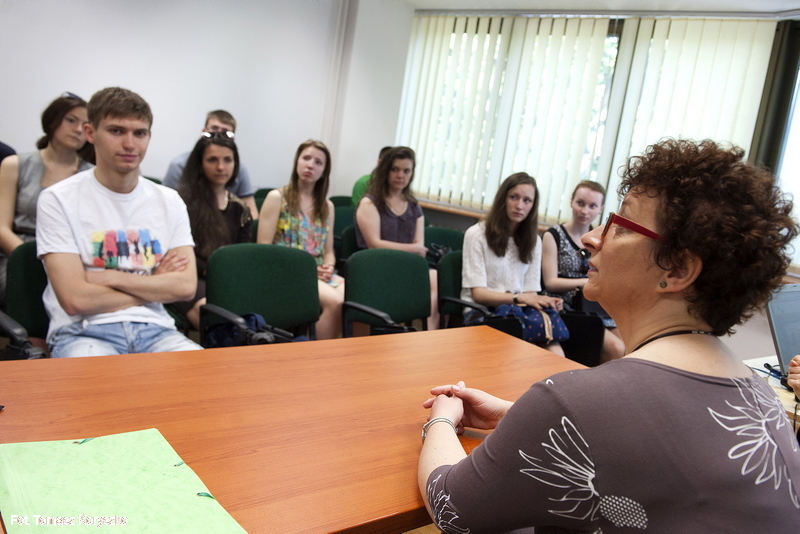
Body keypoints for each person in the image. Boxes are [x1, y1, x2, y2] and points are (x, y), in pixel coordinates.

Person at [418, 138, 800, 532]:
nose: (591, 237)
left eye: (620, 224)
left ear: (677, 269)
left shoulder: (571, 400)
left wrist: (442, 419)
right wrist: (519, 417)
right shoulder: (762, 397)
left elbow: (451, 507)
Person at [36, 87, 202, 357]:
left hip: (157, 330)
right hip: (83, 332)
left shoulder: (169, 201)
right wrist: (154, 284)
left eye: (140, 133)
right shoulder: (58, 199)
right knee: (100, 386)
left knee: (206, 378)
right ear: (90, 133)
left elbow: (184, 287)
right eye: (116, 131)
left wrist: (113, 277)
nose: (130, 144)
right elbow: (76, 300)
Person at [0, 93, 94, 307]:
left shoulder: (92, 176)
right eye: (71, 120)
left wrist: (61, 264)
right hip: (18, 254)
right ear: (52, 121)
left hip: (71, 257)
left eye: (85, 125)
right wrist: (33, 260)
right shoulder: (14, 164)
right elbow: (1, 228)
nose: (78, 129)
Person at [461, 172, 565, 356]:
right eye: (514, 197)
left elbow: (530, 293)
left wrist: (544, 301)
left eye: (527, 200)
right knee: (519, 352)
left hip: (517, 311)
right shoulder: (476, 234)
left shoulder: (534, 241)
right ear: (503, 198)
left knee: (556, 354)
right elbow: (478, 295)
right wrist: (519, 298)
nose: (519, 206)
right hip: (483, 311)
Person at [257, 139, 343, 340]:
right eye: (306, 158)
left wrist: (329, 266)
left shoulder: (327, 206)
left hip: (319, 273)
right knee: (336, 302)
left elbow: (328, 251)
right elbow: (263, 250)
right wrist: (309, 270)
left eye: (318, 162)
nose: (310, 165)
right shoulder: (277, 197)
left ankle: (353, 353)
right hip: (288, 273)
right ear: (297, 161)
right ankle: (313, 353)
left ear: (324, 171)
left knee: (355, 298)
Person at [172, 133, 253, 330]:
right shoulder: (181, 203)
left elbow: (242, 254)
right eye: (212, 160)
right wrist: (210, 269)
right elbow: (179, 252)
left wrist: (225, 272)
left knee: (249, 312)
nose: (221, 167)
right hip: (190, 275)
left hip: (227, 277)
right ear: (200, 164)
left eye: (228, 160)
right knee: (213, 314)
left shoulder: (241, 209)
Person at [354, 146, 438, 330]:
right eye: (395, 169)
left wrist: (415, 250)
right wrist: (412, 250)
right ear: (386, 171)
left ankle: (429, 335)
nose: (401, 175)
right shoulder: (370, 203)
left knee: (437, 279)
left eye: (406, 171)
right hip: (375, 266)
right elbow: (374, 245)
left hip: (406, 267)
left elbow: (420, 247)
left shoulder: (414, 206)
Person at [542, 180, 625, 361]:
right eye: (580, 203)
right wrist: (585, 282)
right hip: (565, 307)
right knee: (616, 348)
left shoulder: (602, 238)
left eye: (592, 206)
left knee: (631, 346)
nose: (585, 211)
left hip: (596, 307)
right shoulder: (553, 235)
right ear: (571, 202)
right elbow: (550, 283)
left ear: (601, 209)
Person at [163, 110, 258, 219]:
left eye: (225, 133)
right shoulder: (179, 165)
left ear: (233, 139)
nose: (220, 167)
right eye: (213, 130)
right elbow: (165, 208)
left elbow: (252, 213)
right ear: (203, 132)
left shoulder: (240, 169)